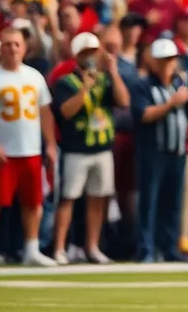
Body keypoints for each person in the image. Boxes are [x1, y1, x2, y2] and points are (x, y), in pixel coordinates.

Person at [0, 28, 58, 268]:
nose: (12, 49)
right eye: (7, 44)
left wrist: (50, 144)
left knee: (33, 202)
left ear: (24, 48)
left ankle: (31, 248)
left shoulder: (34, 76)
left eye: (16, 44)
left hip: (30, 150)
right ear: (0, 48)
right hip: (4, 152)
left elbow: (45, 113)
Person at [51, 32, 131, 264]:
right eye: (85, 53)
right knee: (69, 198)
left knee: (98, 198)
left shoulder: (105, 79)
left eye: (93, 52)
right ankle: (59, 248)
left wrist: (114, 73)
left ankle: (92, 246)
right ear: (77, 56)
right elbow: (66, 111)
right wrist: (84, 88)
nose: (91, 57)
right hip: (77, 148)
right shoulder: (66, 82)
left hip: (102, 148)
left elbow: (124, 101)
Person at [131, 38, 188, 262]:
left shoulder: (182, 83)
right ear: (152, 62)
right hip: (153, 152)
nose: (167, 66)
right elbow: (143, 114)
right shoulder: (142, 85)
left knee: (173, 204)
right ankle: (146, 249)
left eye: (171, 61)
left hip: (177, 152)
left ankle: (170, 248)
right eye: (163, 61)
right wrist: (171, 103)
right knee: (149, 203)